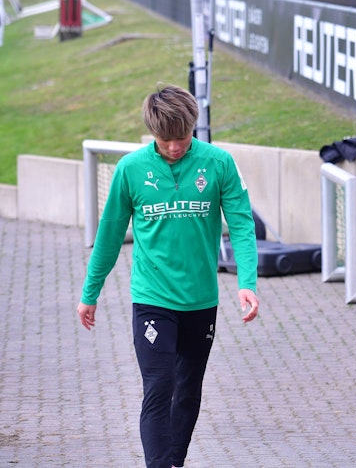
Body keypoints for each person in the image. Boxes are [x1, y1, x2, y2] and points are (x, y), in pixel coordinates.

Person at [76, 84, 260, 468]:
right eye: (165, 139)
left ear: (194, 127)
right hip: (152, 299)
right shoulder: (130, 170)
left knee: (188, 390)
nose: (175, 147)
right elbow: (109, 235)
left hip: (200, 300)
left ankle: (174, 461)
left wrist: (247, 283)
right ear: (152, 133)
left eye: (182, 137)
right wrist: (89, 292)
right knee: (159, 387)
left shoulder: (219, 163)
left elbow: (242, 225)